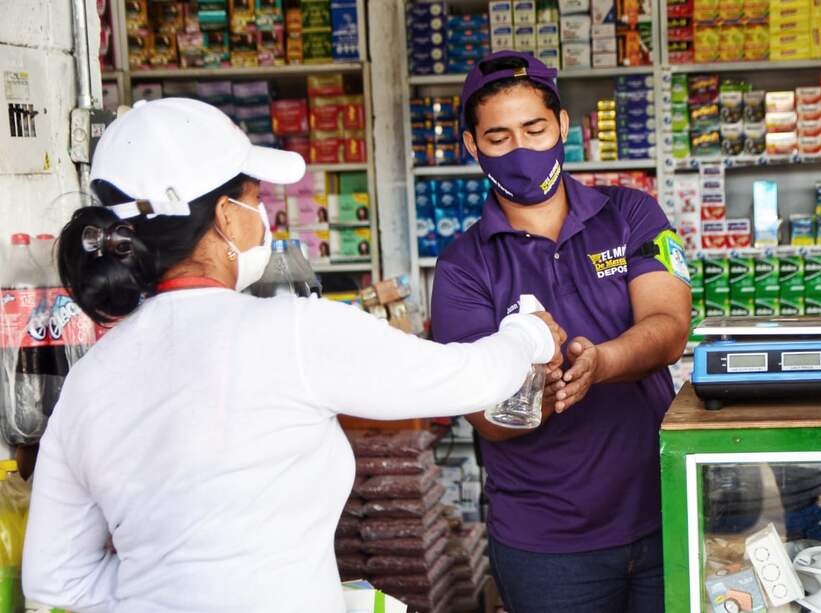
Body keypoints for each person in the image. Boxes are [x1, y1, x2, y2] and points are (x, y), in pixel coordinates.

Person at [22, 98, 569, 613]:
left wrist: (167, 587)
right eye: (256, 199)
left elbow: (54, 580)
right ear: (225, 216)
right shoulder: (293, 333)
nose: (265, 216)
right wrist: (529, 335)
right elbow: (464, 377)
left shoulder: (90, 376)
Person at [430, 51, 692, 613]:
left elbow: (669, 328)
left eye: (535, 128)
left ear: (564, 127)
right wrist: (547, 395)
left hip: (661, 509)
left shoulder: (632, 214)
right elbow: (485, 417)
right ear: (472, 148)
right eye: (498, 137)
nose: (521, 149)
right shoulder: (461, 267)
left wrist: (598, 364)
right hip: (546, 545)